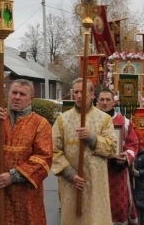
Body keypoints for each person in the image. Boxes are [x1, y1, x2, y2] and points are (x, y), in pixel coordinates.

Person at [0, 79, 53, 225]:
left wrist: (14, 176)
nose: (17, 97)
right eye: (14, 92)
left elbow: (44, 158)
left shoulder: (40, 124)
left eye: (22, 94)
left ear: (31, 99)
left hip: (24, 193)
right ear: (8, 94)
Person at [52, 78, 117, 224]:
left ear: (92, 95)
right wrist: (71, 175)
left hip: (96, 184)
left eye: (83, 92)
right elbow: (54, 151)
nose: (79, 96)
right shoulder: (62, 120)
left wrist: (92, 138)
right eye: (76, 92)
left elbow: (112, 148)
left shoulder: (104, 119)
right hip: (71, 184)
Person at [97, 89, 139, 224]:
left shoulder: (124, 122)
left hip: (116, 172)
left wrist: (125, 157)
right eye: (102, 100)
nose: (104, 103)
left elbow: (133, 144)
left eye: (107, 100)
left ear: (114, 102)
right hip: (95, 170)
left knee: (118, 206)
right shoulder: (89, 121)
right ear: (97, 101)